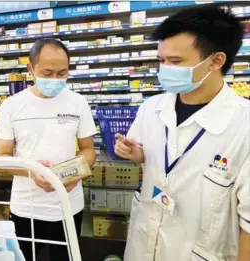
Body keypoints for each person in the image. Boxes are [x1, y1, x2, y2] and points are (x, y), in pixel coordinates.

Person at [115, 5, 250, 261]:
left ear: (216, 61)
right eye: (161, 60)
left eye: (175, 61)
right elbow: (149, 157)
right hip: (143, 246)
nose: (164, 69)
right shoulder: (151, 108)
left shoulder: (244, 126)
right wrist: (136, 153)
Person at [0, 38, 97, 261]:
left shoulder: (78, 102)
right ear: (31, 69)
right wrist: (31, 171)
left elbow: (89, 150)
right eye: (48, 72)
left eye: (62, 73)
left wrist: (75, 174)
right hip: (26, 207)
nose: (56, 79)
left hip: (69, 205)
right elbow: (2, 156)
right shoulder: (11, 106)